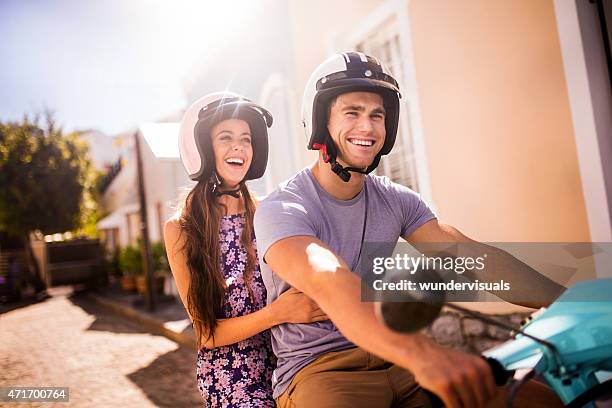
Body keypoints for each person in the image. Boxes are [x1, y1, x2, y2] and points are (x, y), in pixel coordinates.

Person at [253, 52, 566, 408]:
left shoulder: (395, 199)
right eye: (352, 113)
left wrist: (575, 300)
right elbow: (330, 281)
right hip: (322, 371)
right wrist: (425, 355)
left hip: (396, 360)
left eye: (377, 115)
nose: (367, 128)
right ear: (320, 122)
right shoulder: (283, 208)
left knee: (538, 401)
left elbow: (471, 257)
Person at [164, 92, 328, 407]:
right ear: (201, 149)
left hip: (289, 356)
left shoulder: (270, 211)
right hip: (232, 376)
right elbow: (205, 333)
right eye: (226, 137)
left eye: (246, 139)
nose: (239, 146)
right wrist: (277, 313)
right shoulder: (182, 229)